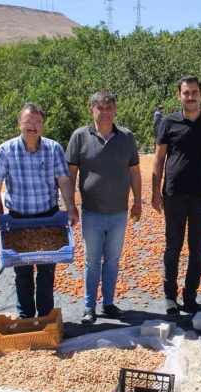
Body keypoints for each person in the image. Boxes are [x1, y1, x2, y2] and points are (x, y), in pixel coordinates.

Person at [0, 103, 79, 319]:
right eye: (28, 122)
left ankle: (46, 316)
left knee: (47, 272)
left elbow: (64, 181)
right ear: (20, 123)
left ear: (43, 125)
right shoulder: (6, 150)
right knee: (22, 273)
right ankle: (26, 317)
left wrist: (71, 207)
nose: (32, 127)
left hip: (48, 218)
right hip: (18, 220)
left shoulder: (53, 148)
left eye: (37, 122)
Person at [152, 76, 201, 315]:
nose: (190, 96)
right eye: (186, 93)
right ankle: (170, 297)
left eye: (194, 92)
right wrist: (155, 191)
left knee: (198, 249)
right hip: (174, 193)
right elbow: (159, 158)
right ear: (179, 95)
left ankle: (190, 296)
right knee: (172, 247)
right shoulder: (168, 122)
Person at [66, 92, 141, 325]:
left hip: (119, 212)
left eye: (109, 107)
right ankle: (89, 307)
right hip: (91, 212)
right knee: (91, 261)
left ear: (115, 110)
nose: (105, 111)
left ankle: (108, 303)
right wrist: (70, 206)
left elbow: (135, 172)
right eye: (100, 107)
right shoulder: (79, 136)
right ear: (92, 110)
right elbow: (69, 175)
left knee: (112, 261)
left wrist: (137, 201)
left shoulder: (126, 137)